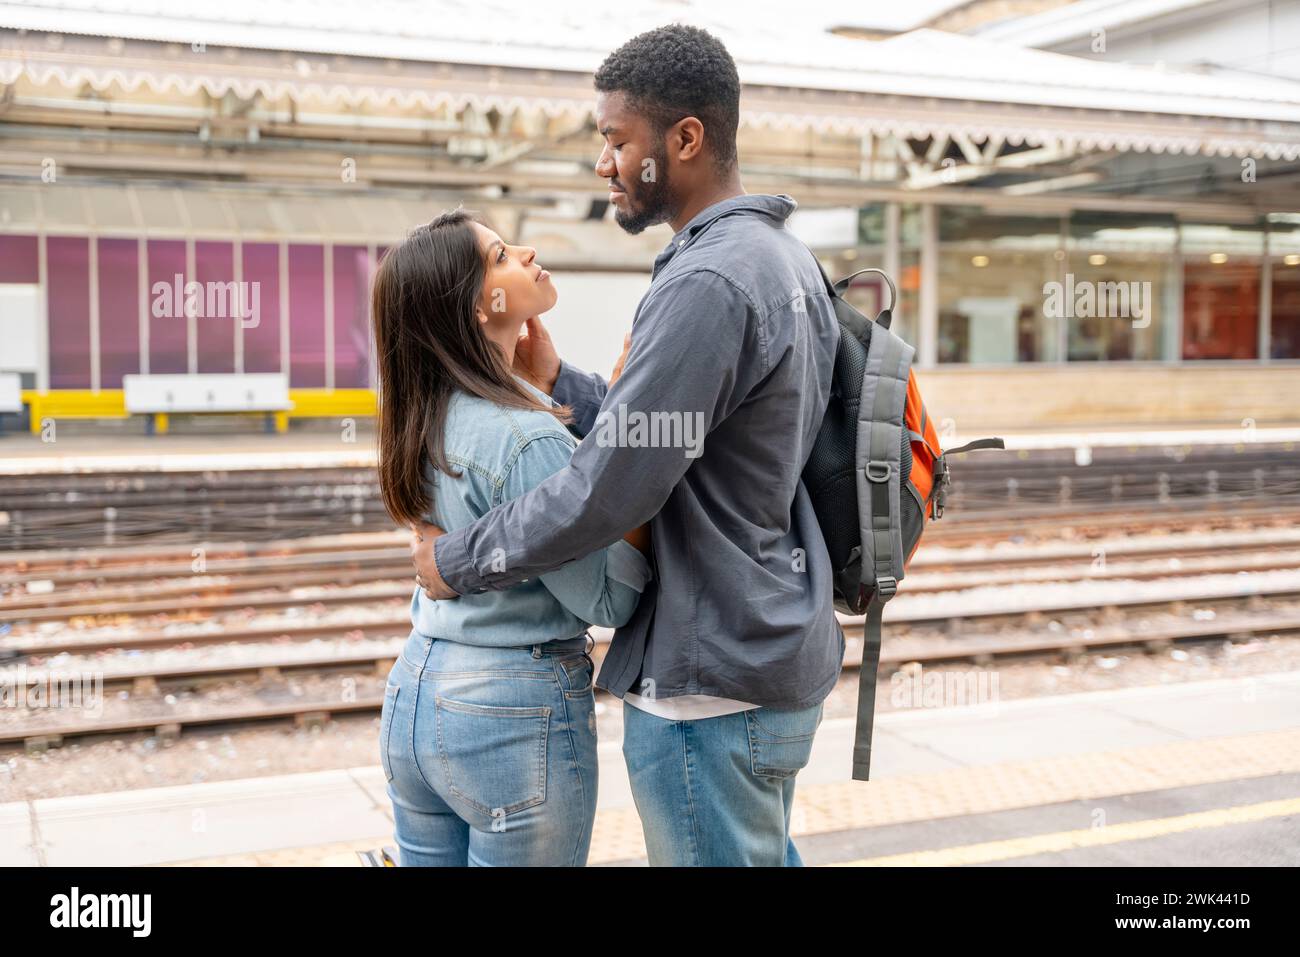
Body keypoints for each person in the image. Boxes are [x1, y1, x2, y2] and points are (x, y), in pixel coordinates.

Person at [411, 24, 843, 866]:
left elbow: (610, 489)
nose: (603, 164)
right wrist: (565, 380)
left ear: (684, 140)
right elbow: (680, 439)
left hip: (709, 685)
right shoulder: (781, 259)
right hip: (767, 651)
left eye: (616, 140)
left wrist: (457, 559)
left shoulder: (707, 283)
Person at [372, 208, 652, 866]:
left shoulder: (424, 415)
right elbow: (610, 599)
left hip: (415, 692)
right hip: (508, 717)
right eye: (501, 255)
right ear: (477, 308)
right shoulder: (525, 437)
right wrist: (636, 474)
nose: (527, 253)